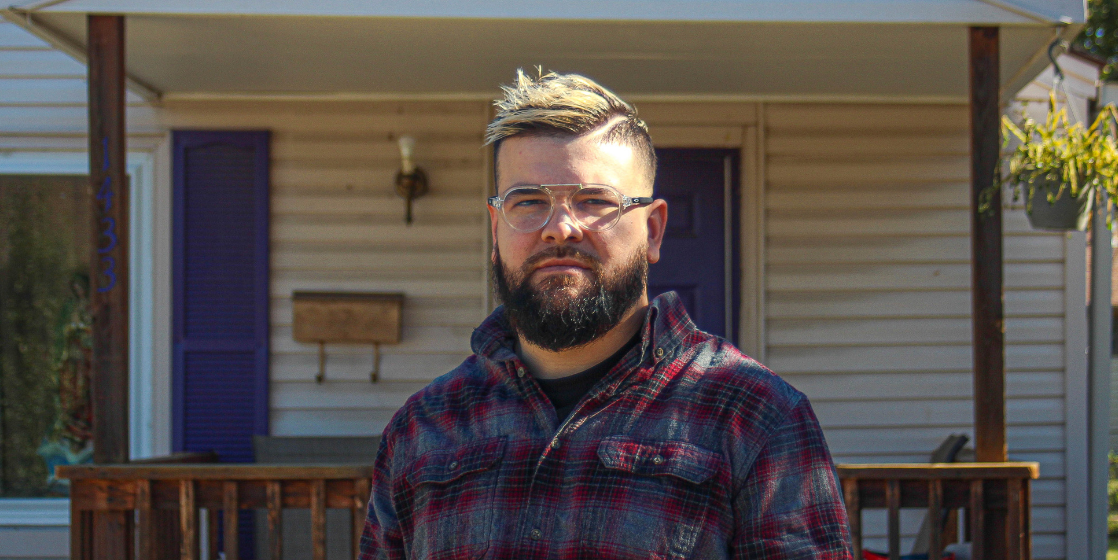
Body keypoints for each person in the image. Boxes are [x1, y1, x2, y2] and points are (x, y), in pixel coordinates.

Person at [359, 70, 852, 560]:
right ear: (496, 230)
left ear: (653, 230)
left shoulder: (756, 416)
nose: (560, 228)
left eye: (594, 200)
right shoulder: (421, 428)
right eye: (528, 201)